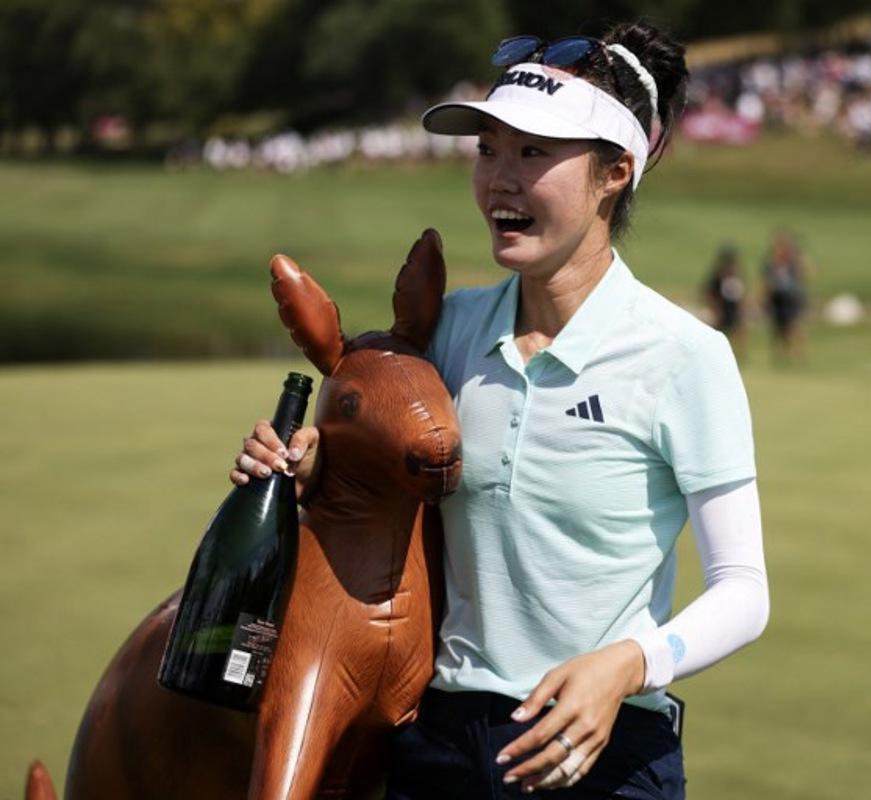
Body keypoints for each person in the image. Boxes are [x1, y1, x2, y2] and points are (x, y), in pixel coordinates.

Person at [233, 22, 768, 799]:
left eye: (534, 153)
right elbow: (365, 475)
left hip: (602, 751)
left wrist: (626, 666)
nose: (500, 181)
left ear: (615, 172)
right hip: (438, 744)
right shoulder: (445, 333)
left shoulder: (684, 356)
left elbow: (744, 590)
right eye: (489, 150)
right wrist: (305, 464)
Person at [762, 229, 809, 365]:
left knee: (794, 326)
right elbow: (766, 281)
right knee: (778, 328)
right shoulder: (771, 262)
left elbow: (806, 273)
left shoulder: (793, 262)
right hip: (777, 299)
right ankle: (781, 355)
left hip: (792, 298)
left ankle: (798, 354)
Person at [703, 243, 746, 361]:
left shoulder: (737, 275)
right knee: (719, 334)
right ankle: (717, 355)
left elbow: (741, 293)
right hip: (721, 309)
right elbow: (709, 294)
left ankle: (738, 356)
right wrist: (715, 309)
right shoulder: (717, 277)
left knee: (738, 332)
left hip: (734, 309)